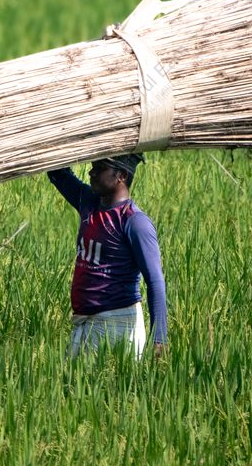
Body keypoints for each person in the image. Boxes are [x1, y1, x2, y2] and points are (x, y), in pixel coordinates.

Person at [47, 154, 167, 360]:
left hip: (117, 325)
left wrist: (160, 338)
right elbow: (57, 173)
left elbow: (155, 280)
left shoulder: (134, 222)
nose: (90, 172)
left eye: (99, 168)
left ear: (121, 175)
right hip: (85, 320)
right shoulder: (88, 202)